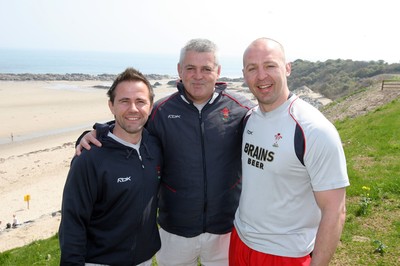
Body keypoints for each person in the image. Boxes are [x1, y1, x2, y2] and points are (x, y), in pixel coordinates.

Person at [77, 39, 255, 265]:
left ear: (218, 71)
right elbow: (128, 127)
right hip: (173, 232)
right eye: (190, 68)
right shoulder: (160, 111)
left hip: (226, 230)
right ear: (179, 70)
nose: (198, 75)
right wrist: (93, 133)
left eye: (206, 69)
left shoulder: (242, 109)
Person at [229, 37, 350, 266]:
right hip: (241, 240)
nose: (261, 76)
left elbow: (335, 210)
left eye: (270, 65)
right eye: (252, 68)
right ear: (244, 74)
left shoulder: (314, 130)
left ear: (287, 68)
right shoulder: (248, 119)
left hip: (285, 254)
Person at [59, 67, 162, 266]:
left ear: (150, 107)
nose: (133, 108)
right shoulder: (89, 157)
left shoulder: (156, 147)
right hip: (100, 261)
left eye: (140, 101)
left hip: (144, 259)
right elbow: (73, 222)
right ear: (111, 106)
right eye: (124, 101)